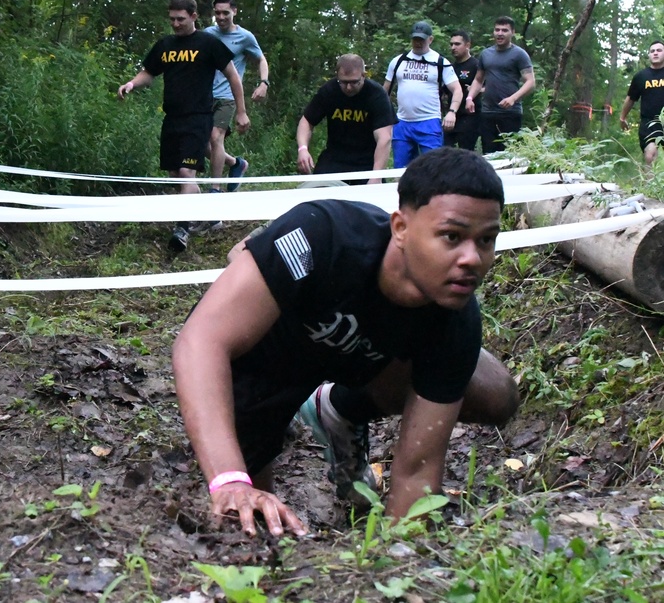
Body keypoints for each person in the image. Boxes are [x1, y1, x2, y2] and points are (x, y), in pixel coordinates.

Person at [172, 147, 518, 537]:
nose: (472, 258)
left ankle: (339, 409)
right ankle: (273, 428)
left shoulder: (457, 320)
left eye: (487, 240)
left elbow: (417, 470)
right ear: (401, 228)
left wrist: (395, 568)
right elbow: (201, 340)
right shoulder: (322, 234)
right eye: (451, 236)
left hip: (360, 360)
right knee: (247, 526)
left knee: (494, 389)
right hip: (262, 364)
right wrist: (231, 480)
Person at [118, 0, 249, 252]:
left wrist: (241, 111)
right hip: (172, 119)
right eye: (172, 19)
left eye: (180, 19)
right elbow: (149, 72)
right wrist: (132, 83)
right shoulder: (165, 45)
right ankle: (204, 214)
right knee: (175, 176)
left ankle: (181, 230)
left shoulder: (208, 43)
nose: (175, 24)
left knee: (188, 172)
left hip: (198, 117)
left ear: (193, 16)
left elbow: (233, 76)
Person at [203, 0, 268, 194]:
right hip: (205, 95)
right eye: (217, 13)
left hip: (228, 95)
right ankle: (235, 163)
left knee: (216, 138)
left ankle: (215, 188)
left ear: (235, 12)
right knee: (201, 143)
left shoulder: (245, 37)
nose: (221, 17)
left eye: (225, 13)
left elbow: (261, 60)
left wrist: (264, 83)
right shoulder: (207, 34)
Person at [296, 54, 394, 185]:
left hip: (366, 162)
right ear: (337, 76)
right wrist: (302, 149)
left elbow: (384, 138)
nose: (348, 87)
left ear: (363, 76)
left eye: (354, 82)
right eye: (343, 82)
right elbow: (307, 121)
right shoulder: (329, 91)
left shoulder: (377, 95)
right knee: (316, 193)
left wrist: (376, 175)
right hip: (334, 159)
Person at [383, 21, 462, 168]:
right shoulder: (399, 61)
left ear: (430, 39)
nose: (418, 43)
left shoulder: (440, 62)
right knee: (400, 169)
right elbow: (385, 90)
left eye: (422, 39)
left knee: (433, 167)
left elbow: (457, 90)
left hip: (429, 121)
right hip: (402, 122)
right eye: (415, 39)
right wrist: (383, 117)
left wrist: (452, 112)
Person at [465, 16, 535, 154]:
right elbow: (478, 80)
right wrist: (469, 98)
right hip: (488, 113)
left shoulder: (519, 54)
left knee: (508, 155)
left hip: (510, 114)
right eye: (497, 30)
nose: (500, 33)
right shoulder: (486, 54)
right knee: (489, 155)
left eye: (504, 30)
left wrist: (513, 98)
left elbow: (531, 82)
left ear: (512, 32)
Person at [619, 40, 664, 170]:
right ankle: (649, 188)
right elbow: (630, 99)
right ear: (649, 55)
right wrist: (622, 118)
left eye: (659, 50)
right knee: (650, 155)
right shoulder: (641, 77)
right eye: (652, 51)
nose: (655, 53)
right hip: (648, 123)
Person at [444, 31, 481, 150]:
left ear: (467, 45)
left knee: (465, 152)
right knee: (446, 151)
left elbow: (489, 86)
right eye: (451, 44)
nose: (453, 47)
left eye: (457, 44)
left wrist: (476, 90)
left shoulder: (476, 65)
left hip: (470, 116)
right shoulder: (450, 67)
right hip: (452, 115)